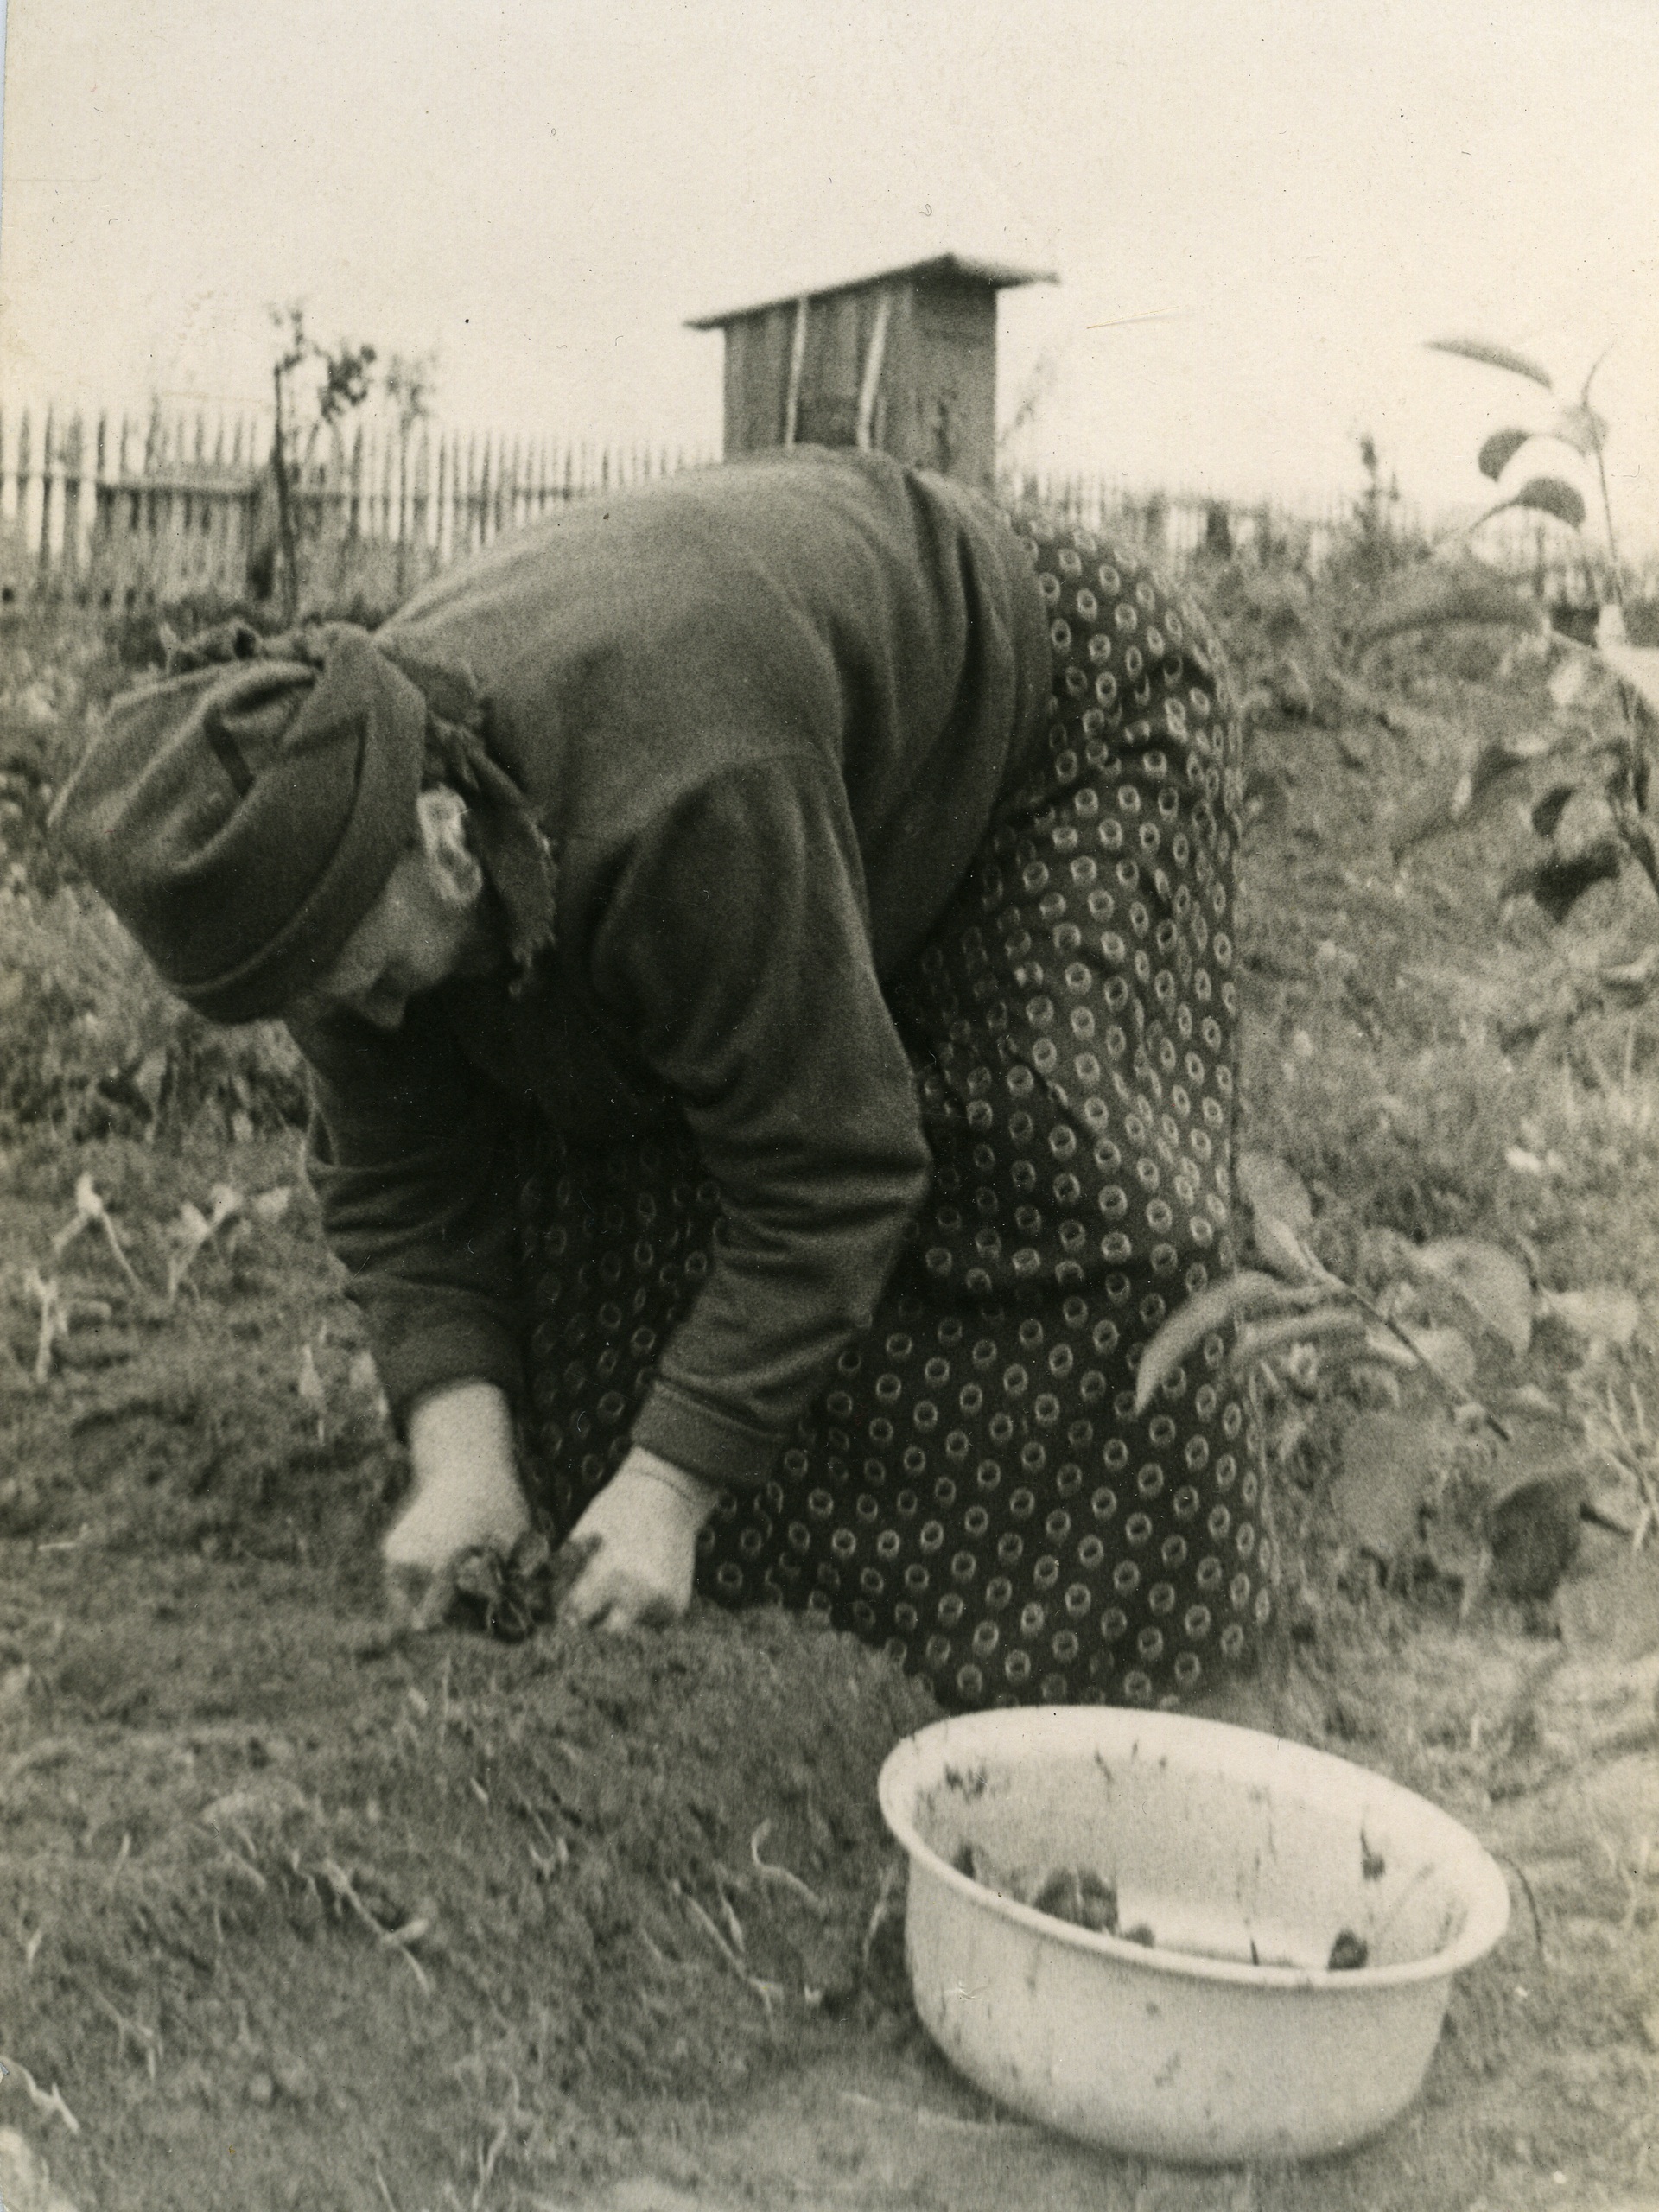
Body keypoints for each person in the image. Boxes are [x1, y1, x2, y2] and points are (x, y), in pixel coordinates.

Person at [53, 445, 1268, 1712]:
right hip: (777, 765)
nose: (356, 1020)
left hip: (1045, 714)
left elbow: (834, 1167)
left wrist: (674, 1485)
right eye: (313, 1000)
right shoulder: (326, 863)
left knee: (1043, 1176)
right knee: (596, 1293)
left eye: (359, 975)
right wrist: (460, 1460)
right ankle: (777, 1664)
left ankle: (1152, 1696)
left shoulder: (684, 796)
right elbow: (406, 1178)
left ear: (444, 841)